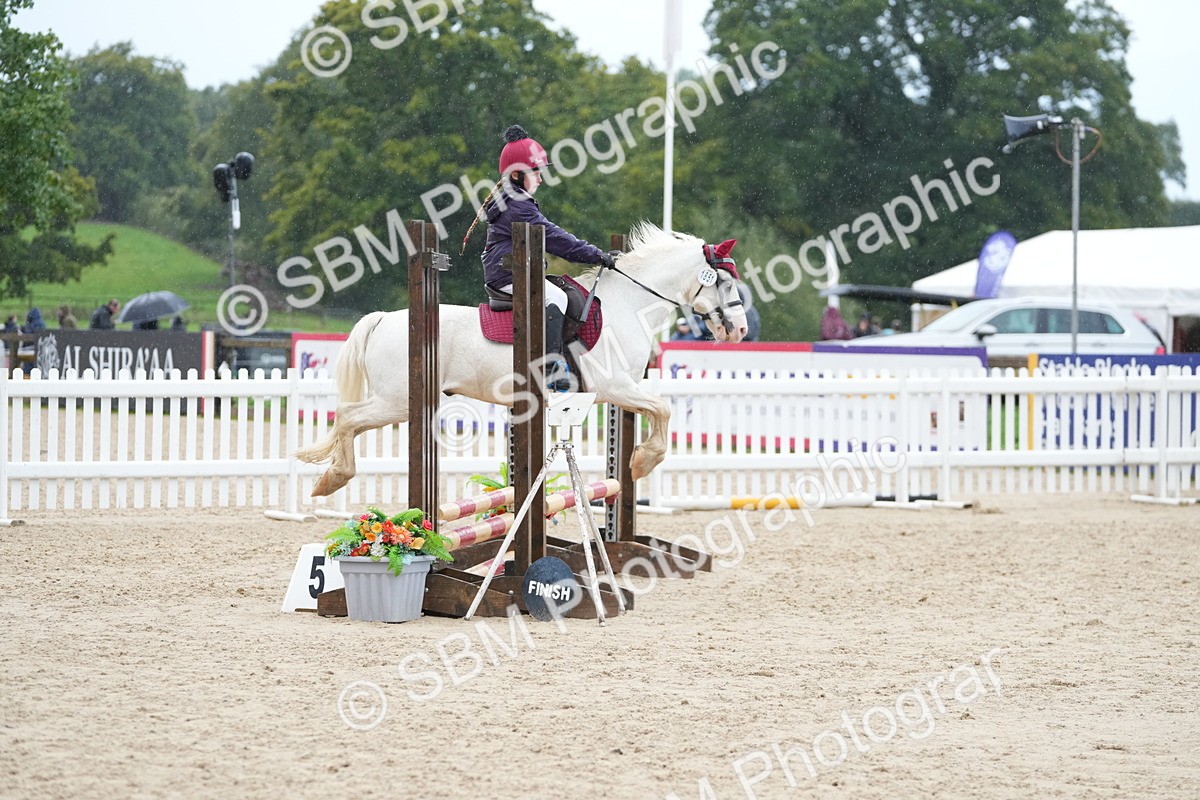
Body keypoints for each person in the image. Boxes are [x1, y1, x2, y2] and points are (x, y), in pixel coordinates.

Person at [463, 125, 615, 392]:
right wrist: (595, 254)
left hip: (511, 270)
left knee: (558, 292)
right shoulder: (517, 204)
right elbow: (555, 238)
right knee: (557, 297)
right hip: (508, 274)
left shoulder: (514, 198)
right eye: (536, 172)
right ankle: (550, 367)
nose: (541, 178)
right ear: (519, 174)